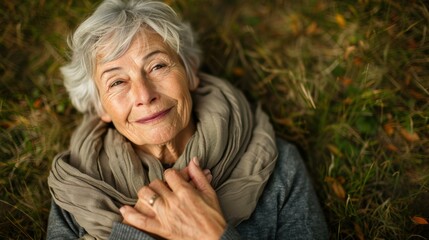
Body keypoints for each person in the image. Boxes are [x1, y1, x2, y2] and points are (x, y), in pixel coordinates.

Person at [47, 0, 329, 239]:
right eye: (117, 82)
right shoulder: (78, 185)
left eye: (157, 66)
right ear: (101, 108)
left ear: (190, 71)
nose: (144, 95)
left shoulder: (278, 165)